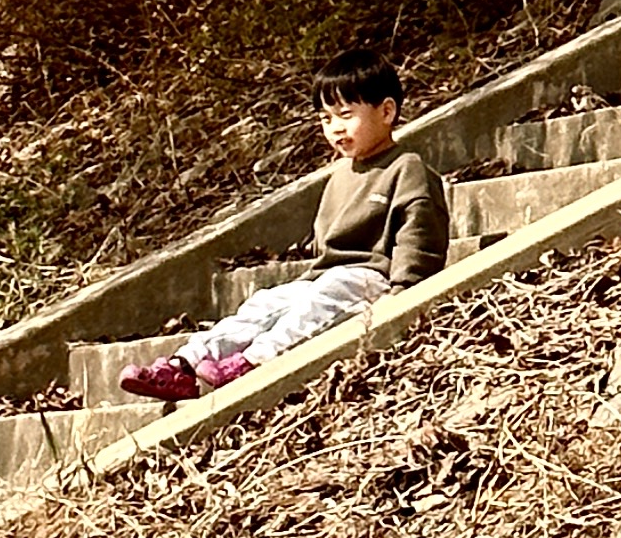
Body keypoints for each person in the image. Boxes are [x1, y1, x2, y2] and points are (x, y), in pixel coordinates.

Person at [122, 46, 446, 401]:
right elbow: (325, 249)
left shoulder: (407, 167)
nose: (335, 128)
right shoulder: (339, 176)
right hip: (326, 277)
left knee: (329, 291)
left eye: (345, 115)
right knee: (267, 301)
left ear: (386, 112)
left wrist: (405, 290)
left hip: (375, 279)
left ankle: (253, 361)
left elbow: (418, 232)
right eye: (326, 119)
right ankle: (185, 364)